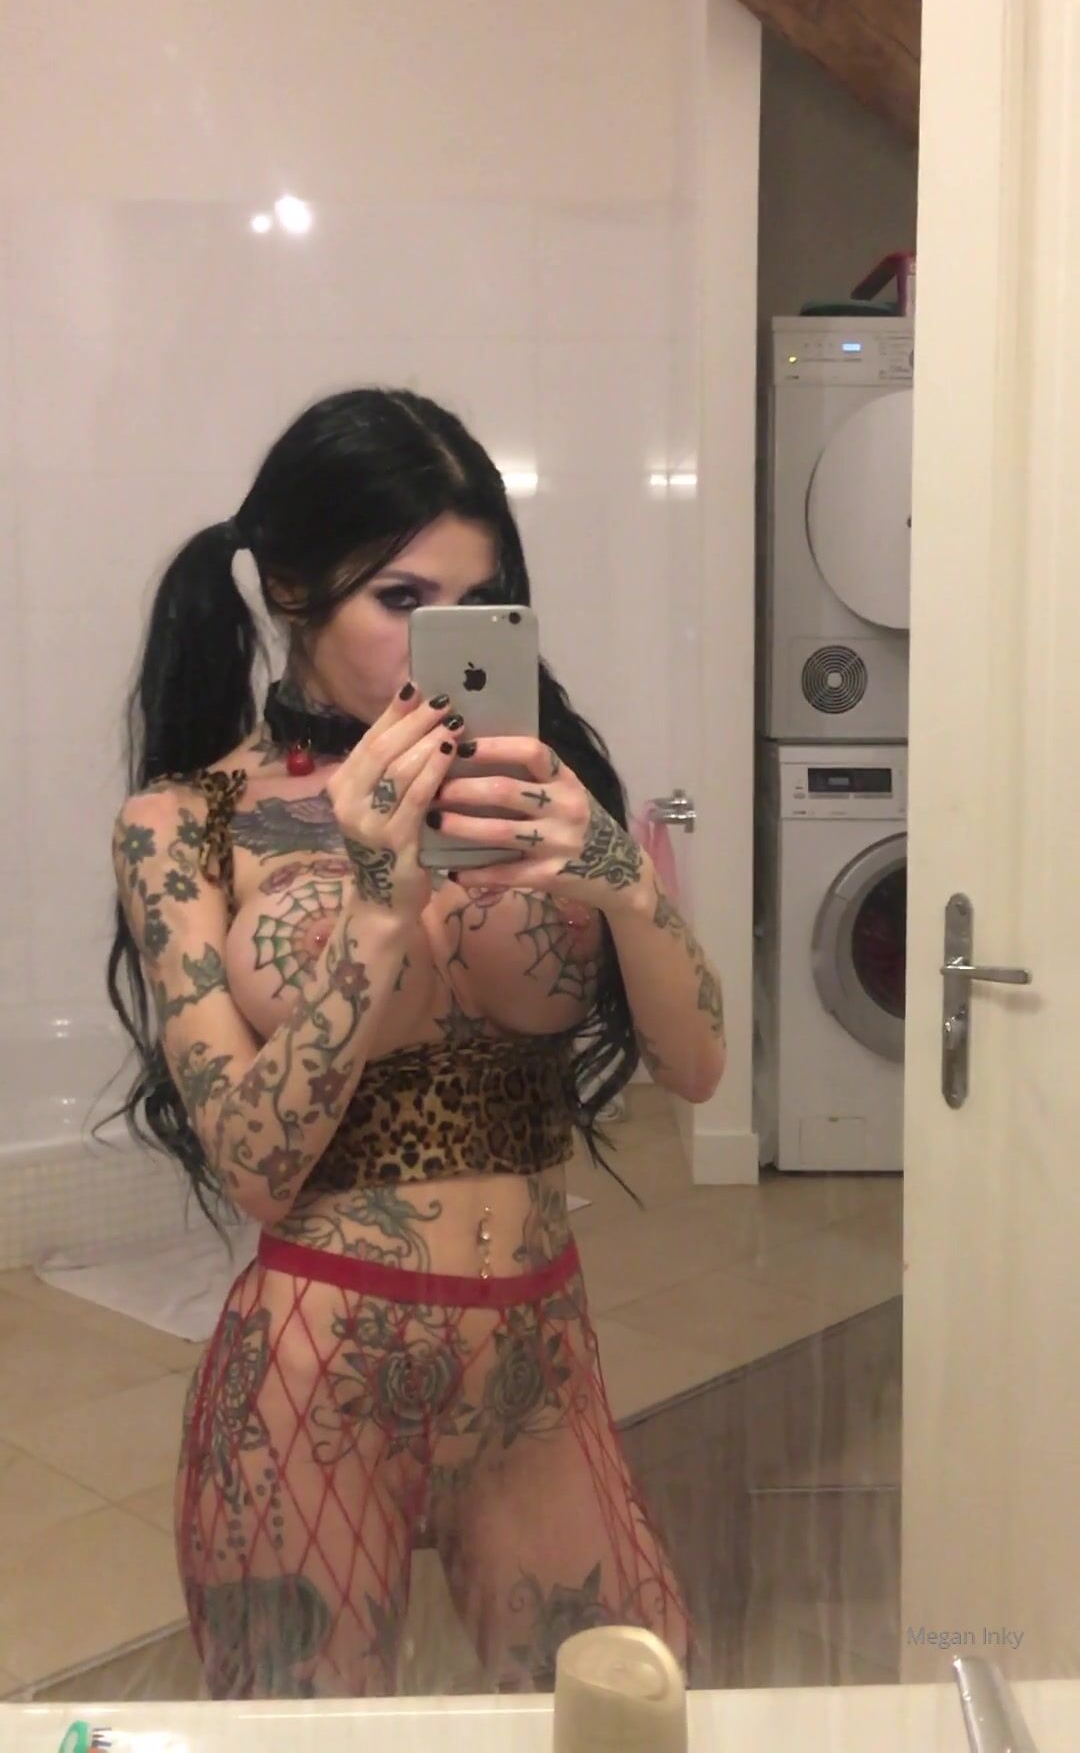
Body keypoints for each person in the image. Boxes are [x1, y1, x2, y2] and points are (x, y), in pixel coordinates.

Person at [107, 388, 726, 1700]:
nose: (436, 640)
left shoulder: (542, 789)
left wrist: (621, 880)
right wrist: (380, 906)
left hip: (536, 1372)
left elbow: (701, 1068)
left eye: (478, 601)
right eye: (401, 598)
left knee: (638, 1711)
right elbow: (254, 1165)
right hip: (311, 1385)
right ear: (289, 589)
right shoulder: (185, 825)